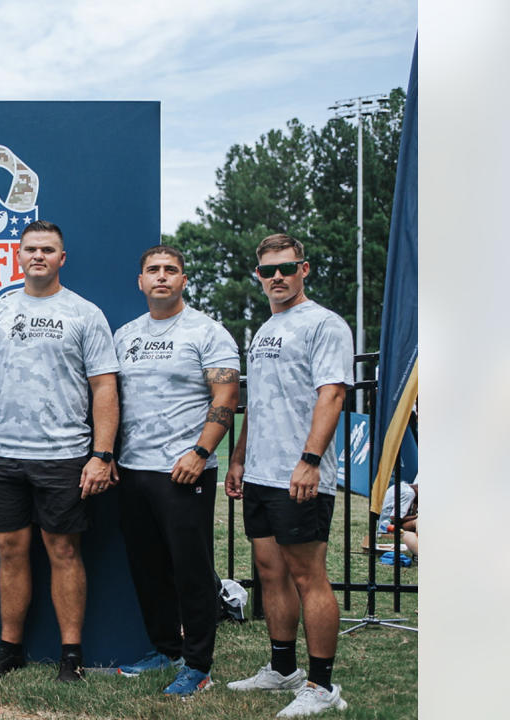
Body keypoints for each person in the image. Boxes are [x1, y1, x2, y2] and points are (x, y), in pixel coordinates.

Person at [0, 220, 119, 683]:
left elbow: (104, 387)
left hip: (65, 454)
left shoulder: (86, 314)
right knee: (9, 549)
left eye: (48, 249)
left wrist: (101, 454)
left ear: (62, 258)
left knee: (63, 550)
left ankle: (71, 655)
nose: (38, 256)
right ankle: (9, 649)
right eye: (30, 249)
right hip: (2, 454)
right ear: (17, 257)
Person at [225, 234, 353, 717]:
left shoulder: (324, 323)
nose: (276, 277)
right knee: (271, 573)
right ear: (258, 276)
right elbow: (257, 403)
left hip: (301, 473)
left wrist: (311, 460)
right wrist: (239, 458)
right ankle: (283, 671)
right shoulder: (265, 329)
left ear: (304, 269)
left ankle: (322, 687)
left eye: (286, 267)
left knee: (307, 576)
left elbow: (333, 395)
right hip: (260, 472)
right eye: (267, 270)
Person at [112, 245, 239, 696]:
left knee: (191, 569)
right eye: (153, 270)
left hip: (185, 470)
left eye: (171, 270)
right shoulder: (124, 334)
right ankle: (165, 649)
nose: (162, 277)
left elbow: (225, 398)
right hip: (132, 469)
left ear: (184, 280)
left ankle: (199, 665)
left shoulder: (208, 332)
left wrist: (201, 453)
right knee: (148, 567)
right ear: (141, 281)